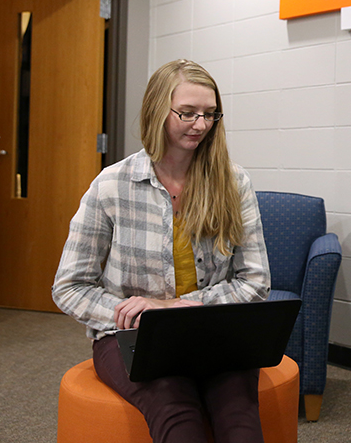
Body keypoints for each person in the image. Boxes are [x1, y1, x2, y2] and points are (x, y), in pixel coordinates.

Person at [52, 59, 271, 443]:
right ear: (158, 110)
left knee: (240, 423)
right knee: (177, 416)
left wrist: (173, 308)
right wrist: (135, 316)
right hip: (131, 338)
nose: (200, 125)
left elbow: (255, 281)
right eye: (187, 113)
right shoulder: (113, 185)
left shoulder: (233, 182)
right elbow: (70, 286)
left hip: (214, 328)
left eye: (209, 114)